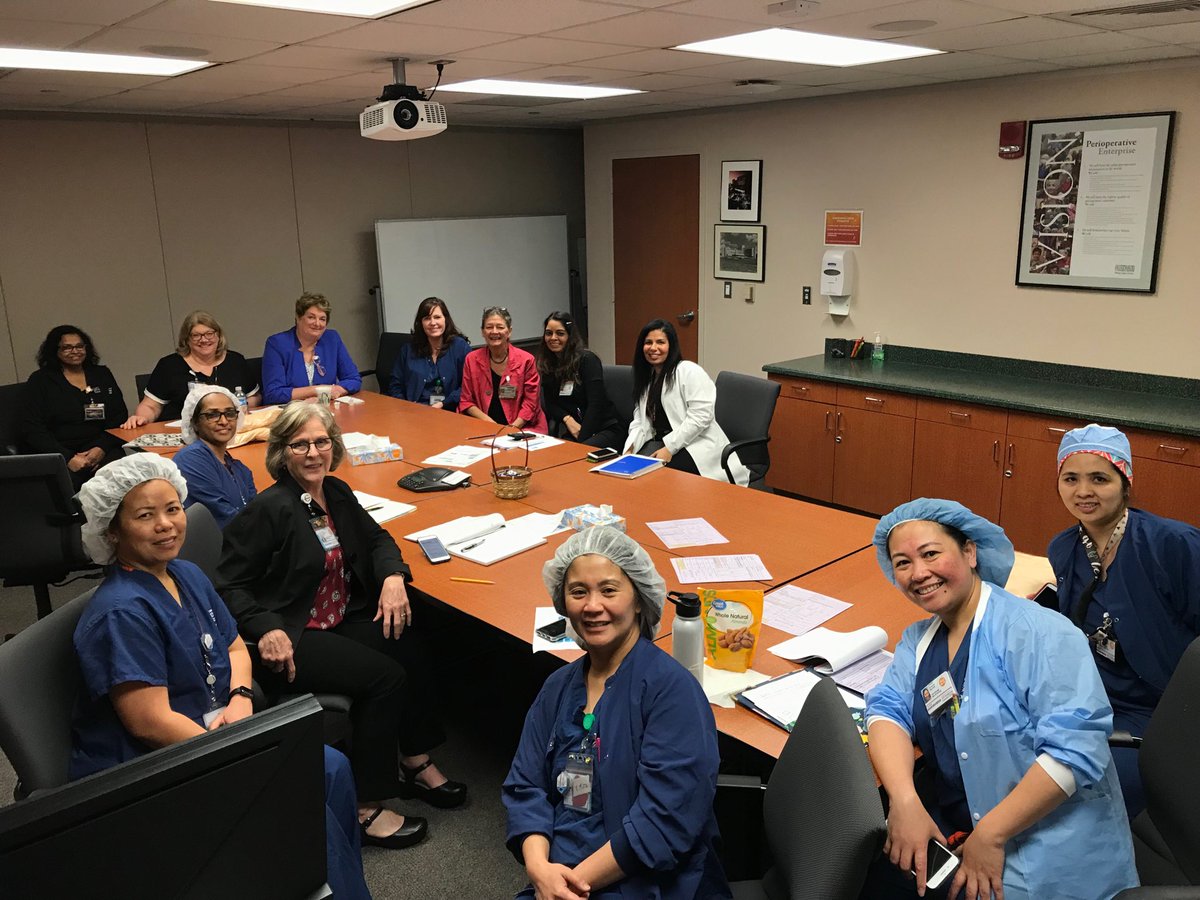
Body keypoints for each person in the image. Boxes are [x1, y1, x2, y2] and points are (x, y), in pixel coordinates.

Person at [69, 454, 370, 899]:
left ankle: (328, 879)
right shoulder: (122, 612)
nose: (166, 525)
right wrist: (237, 755)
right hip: (149, 765)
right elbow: (148, 723)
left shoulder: (185, 573)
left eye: (172, 509)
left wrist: (242, 697)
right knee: (294, 793)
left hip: (214, 727)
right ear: (112, 531)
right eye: (145, 515)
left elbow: (231, 646)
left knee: (334, 768)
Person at [216, 402, 465, 849]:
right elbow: (228, 586)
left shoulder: (335, 492)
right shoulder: (270, 509)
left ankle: (414, 759)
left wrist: (392, 577)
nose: (313, 453)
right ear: (281, 453)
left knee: (408, 636)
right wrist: (265, 626)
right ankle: (365, 806)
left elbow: (377, 539)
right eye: (300, 445)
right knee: (384, 679)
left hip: (336, 615)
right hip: (292, 633)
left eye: (321, 442)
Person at [863, 498, 1136, 900]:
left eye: (931, 554)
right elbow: (887, 710)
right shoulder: (919, 641)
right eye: (902, 563)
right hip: (963, 826)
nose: (919, 573)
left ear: (970, 552)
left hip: (1048, 854)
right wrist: (904, 801)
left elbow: (1074, 751)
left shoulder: (1039, 633)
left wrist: (991, 835)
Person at [503, 527, 731, 900]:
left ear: (639, 600)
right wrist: (539, 869)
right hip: (558, 878)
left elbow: (663, 821)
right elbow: (525, 786)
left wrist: (569, 884)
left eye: (609, 590)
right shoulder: (559, 687)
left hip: (646, 882)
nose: (592, 606)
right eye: (578, 592)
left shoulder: (671, 691)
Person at [1048, 424, 1200, 817]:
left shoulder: (1173, 545)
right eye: (1071, 478)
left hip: (1168, 708)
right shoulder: (1064, 549)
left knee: (1094, 791)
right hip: (1094, 696)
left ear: (1125, 481)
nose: (1083, 492)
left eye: (1099, 478)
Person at [622, 319, 748, 486]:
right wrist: (630, 449)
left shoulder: (688, 371)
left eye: (660, 342)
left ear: (671, 346)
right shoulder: (647, 378)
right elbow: (640, 420)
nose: (653, 348)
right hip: (662, 442)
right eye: (648, 342)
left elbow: (701, 416)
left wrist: (669, 448)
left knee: (656, 480)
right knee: (629, 473)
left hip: (695, 444)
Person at [20, 324, 128, 488]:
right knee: (76, 491)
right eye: (67, 348)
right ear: (54, 351)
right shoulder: (41, 381)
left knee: (121, 480)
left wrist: (101, 448)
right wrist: (68, 457)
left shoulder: (101, 374)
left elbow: (119, 415)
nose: (75, 351)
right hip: (60, 451)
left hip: (101, 446)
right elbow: (33, 429)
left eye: (79, 346)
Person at [121, 311, 259, 428]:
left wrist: (243, 411)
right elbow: (150, 406)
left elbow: (253, 396)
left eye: (209, 334)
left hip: (230, 430)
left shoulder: (235, 361)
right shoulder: (169, 366)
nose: (204, 340)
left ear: (218, 336)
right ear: (187, 339)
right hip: (184, 434)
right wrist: (141, 418)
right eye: (196, 335)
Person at [535, 311, 623, 449]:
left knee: (575, 455)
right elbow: (551, 403)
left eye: (560, 333)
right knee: (556, 454)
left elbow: (596, 404)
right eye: (548, 333)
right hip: (575, 427)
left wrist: (582, 438)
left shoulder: (587, 360)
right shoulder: (549, 363)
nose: (553, 338)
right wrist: (567, 419)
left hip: (605, 428)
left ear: (570, 336)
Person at [173, 385, 257, 529]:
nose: (224, 421)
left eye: (230, 413)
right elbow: (223, 515)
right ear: (194, 423)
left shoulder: (239, 468)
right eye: (212, 415)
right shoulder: (190, 461)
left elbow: (256, 510)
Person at [459, 306, 547, 433]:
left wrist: (512, 429)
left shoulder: (526, 360)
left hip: (523, 427)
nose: (494, 331)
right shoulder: (471, 359)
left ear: (509, 331)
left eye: (500, 327)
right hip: (483, 427)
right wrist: (491, 425)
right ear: (482, 332)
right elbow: (466, 401)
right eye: (489, 327)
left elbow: (530, 403)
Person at [262, 293, 361, 405]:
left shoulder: (332, 339)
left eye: (322, 319)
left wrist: (338, 390)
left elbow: (353, 379)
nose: (317, 323)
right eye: (311, 317)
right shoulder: (277, 344)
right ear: (298, 318)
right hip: (292, 414)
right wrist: (318, 390)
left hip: (326, 411)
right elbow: (273, 394)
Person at [387, 296, 470, 411]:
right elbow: (395, 384)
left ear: (445, 319)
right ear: (420, 323)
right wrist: (405, 406)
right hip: (413, 412)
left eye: (437, 317)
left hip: (449, 411)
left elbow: (468, 386)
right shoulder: (409, 349)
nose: (433, 323)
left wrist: (443, 404)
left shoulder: (459, 347)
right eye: (427, 318)